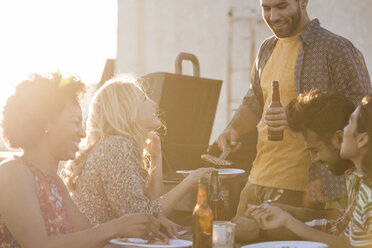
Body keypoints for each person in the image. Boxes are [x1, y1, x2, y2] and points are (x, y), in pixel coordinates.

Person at [218, 0, 371, 233]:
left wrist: (295, 119)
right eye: (266, 8)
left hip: (310, 190)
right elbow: (254, 102)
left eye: (281, 6)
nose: (273, 15)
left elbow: (362, 114)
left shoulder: (336, 48)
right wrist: (233, 128)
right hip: (257, 181)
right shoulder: (266, 49)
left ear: (303, 2)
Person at [0, 73, 177, 248]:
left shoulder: (55, 182)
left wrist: (136, 224)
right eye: (75, 122)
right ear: (46, 123)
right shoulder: (12, 173)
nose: (82, 132)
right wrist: (117, 226)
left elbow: (88, 236)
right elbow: (39, 245)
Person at [62, 76, 214, 226]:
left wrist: (156, 156)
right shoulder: (116, 146)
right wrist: (189, 182)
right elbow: (141, 215)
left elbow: (155, 205)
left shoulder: (115, 145)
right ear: (127, 111)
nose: (153, 103)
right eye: (144, 99)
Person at [248, 94, 372, 247]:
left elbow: (347, 244)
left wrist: (287, 221)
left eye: (350, 124)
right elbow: (343, 222)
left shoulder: (368, 190)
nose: (313, 159)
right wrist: (289, 214)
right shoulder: (358, 179)